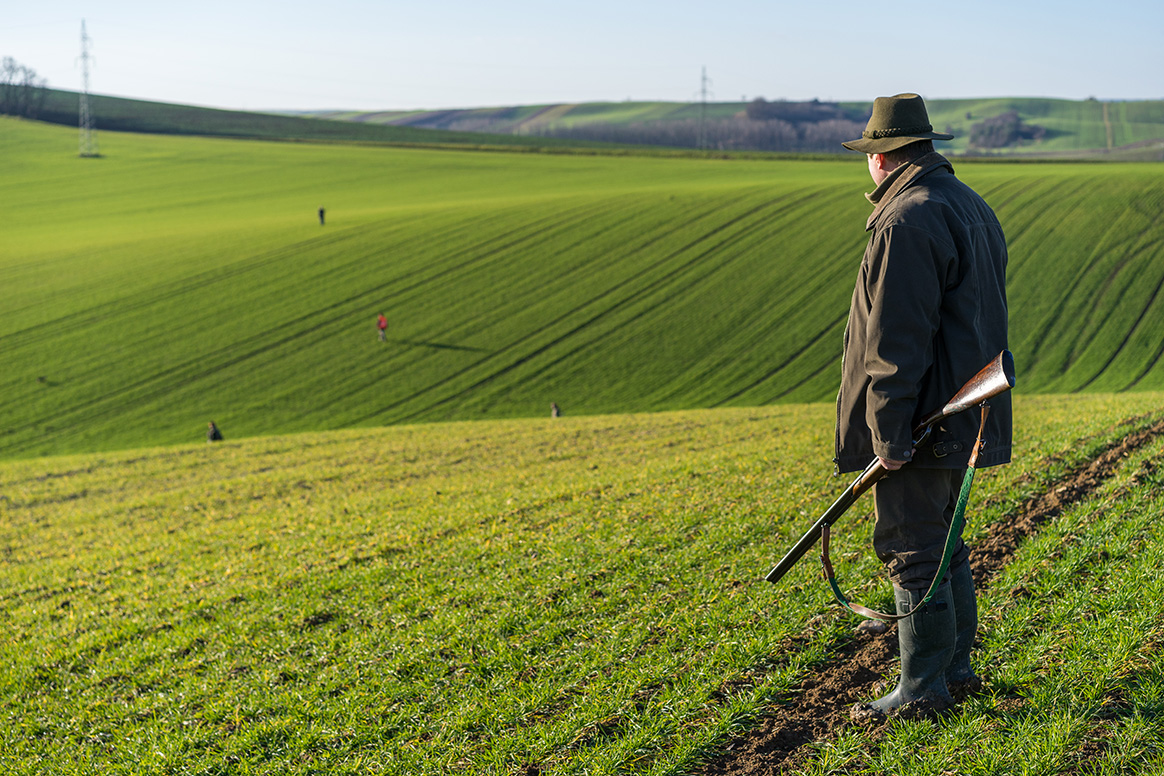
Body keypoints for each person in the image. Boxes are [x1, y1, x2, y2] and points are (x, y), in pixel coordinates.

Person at [835, 94, 1011, 720]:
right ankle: (955, 672)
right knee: (945, 543)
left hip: (923, 422)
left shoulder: (908, 218)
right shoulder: (969, 205)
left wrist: (886, 432)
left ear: (882, 157)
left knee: (913, 545)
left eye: (870, 154)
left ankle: (922, 690)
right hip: (961, 415)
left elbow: (895, 343)